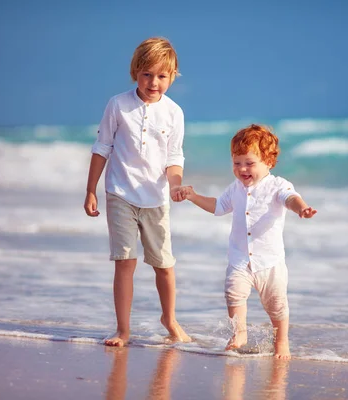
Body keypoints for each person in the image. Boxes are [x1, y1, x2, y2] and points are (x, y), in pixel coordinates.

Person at [84, 37, 191, 347]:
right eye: (146, 74)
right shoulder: (118, 105)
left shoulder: (174, 113)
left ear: (172, 76)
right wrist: (91, 190)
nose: (153, 82)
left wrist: (174, 185)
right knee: (125, 261)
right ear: (135, 73)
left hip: (156, 198)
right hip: (120, 192)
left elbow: (174, 157)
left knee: (164, 264)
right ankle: (123, 329)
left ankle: (169, 318)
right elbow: (102, 146)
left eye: (161, 76)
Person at [180, 124, 317, 359]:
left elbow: (291, 198)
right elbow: (218, 207)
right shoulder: (235, 188)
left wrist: (301, 208)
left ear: (269, 162)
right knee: (233, 294)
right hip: (240, 258)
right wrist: (193, 196)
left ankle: (281, 341)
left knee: (277, 305)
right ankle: (240, 332)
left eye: (249, 163)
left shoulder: (278, 185)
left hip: (270, 262)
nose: (242, 169)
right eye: (237, 163)